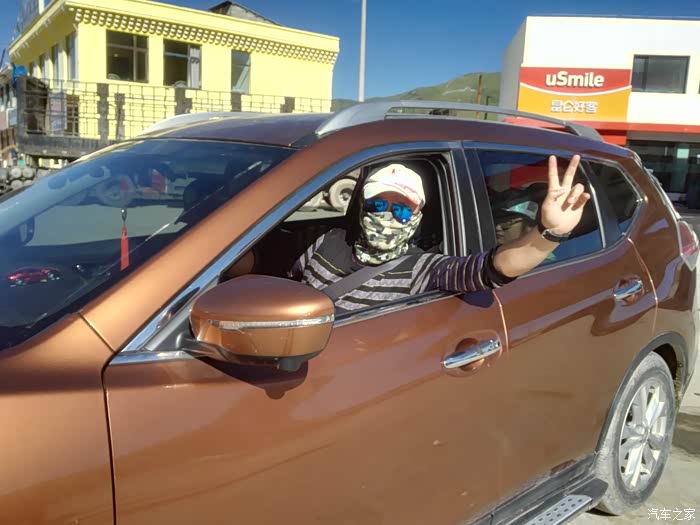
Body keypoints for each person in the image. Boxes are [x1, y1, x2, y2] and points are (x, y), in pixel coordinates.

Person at [289, 155, 590, 313]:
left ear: (417, 217)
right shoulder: (325, 241)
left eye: (402, 210)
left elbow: (494, 268)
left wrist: (549, 233)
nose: (387, 215)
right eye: (378, 204)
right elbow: (285, 288)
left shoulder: (422, 269)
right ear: (362, 207)